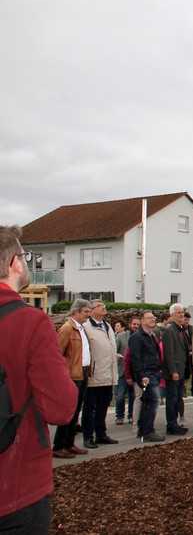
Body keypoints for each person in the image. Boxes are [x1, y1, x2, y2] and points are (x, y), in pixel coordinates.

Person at [0, 225, 77, 534]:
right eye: (26, 256)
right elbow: (61, 408)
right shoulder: (29, 321)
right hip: (15, 487)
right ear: (13, 263)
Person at [52, 299, 93, 458]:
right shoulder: (67, 329)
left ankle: (69, 443)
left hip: (82, 373)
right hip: (72, 375)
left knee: (75, 412)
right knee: (69, 411)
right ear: (76, 311)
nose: (88, 315)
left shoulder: (81, 328)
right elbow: (57, 353)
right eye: (85, 312)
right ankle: (59, 445)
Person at [81, 300, 119, 448]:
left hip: (108, 373)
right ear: (92, 310)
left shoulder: (107, 326)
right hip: (94, 375)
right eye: (100, 306)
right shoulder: (86, 327)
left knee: (103, 406)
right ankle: (88, 436)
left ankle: (101, 434)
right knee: (90, 408)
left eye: (104, 305)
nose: (104, 307)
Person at [129, 311, 165, 442]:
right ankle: (147, 431)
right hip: (146, 375)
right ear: (142, 321)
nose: (153, 320)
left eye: (154, 318)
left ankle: (144, 430)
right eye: (149, 318)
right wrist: (141, 375)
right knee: (153, 401)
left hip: (154, 373)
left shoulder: (152, 335)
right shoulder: (137, 337)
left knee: (149, 402)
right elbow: (135, 358)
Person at [161, 303, 189, 435]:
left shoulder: (181, 329)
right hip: (174, 372)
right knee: (172, 399)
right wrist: (173, 371)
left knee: (177, 398)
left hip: (181, 370)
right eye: (178, 312)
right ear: (172, 315)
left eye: (182, 312)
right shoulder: (169, 330)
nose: (181, 314)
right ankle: (171, 425)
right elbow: (169, 353)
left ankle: (175, 423)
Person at [115, 316, 139, 425]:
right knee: (120, 396)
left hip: (135, 372)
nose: (136, 326)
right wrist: (120, 356)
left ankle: (130, 415)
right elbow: (114, 351)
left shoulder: (140, 337)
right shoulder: (121, 336)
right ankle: (119, 416)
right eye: (134, 324)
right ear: (130, 324)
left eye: (138, 324)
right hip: (122, 371)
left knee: (133, 396)